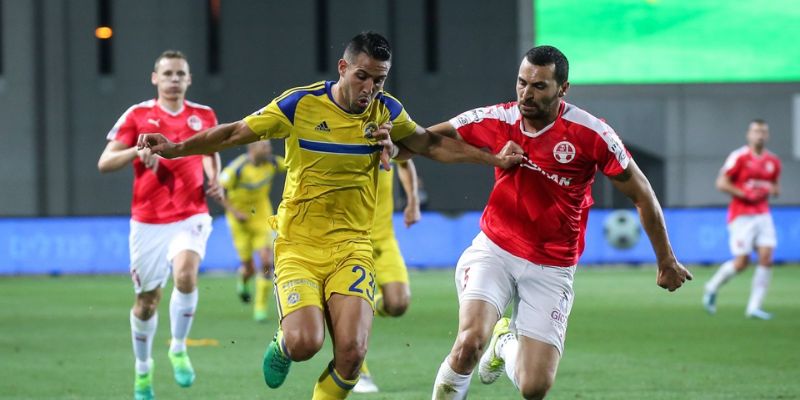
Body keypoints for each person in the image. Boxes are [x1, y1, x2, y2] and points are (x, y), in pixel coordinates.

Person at [138, 32, 522, 400]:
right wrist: (176, 149)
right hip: (298, 245)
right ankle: (284, 342)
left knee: (352, 353)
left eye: (379, 79)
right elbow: (235, 132)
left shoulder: (386, 111)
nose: (370, 88)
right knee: (306, 343)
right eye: (362, 77)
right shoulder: (299, 104)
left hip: (352, 245)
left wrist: (491, 159)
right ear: (343, 68)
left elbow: (430, 143)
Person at [428, 45, 693, 400]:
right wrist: (390, 141)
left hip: (553, 265)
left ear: (562, 89)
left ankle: (504, 344)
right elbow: (427, 139)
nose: (526, 93)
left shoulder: (591, 133)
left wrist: (666, 260)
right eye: (522, 83)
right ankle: (488, 343)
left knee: (534, 387)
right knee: (469, 342)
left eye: (539, 86)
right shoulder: (498, 118)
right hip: (496, 250)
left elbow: (642, 193)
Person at [97, 50, 223, 400]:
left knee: (186, 274)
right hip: (149, 221)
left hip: (191, 212)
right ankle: (142, 370)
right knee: (147, 301)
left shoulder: (203, 115)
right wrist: (135, 153)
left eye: (180, 74)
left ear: (189, 79)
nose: (173, 80)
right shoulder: (138, 115)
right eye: (166, 74)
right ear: (155, 78)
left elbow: (211, 151)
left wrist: (215, 178)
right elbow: (105, 162)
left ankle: (178, 347)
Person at [353, 159, 421, 393]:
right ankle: (359, 372)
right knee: (357, 306)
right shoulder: (342, 136)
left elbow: (405, 161)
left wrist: (412, 201)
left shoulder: (387, 133)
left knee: (398, 303)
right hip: (349, 240)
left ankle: (361, 307)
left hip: (383, 238)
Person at [703, 119, 781, 320]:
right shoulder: (739, 157)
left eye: (763, 131)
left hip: (763, 214)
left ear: (768, 135)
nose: (760, 135)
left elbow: (775, 188)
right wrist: (744, 194)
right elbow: (721, 183)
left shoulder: (773, 162)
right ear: (749, 134)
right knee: (741, 263)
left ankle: (754, 307)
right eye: (756, 131)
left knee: (766, 258)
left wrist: (771, 190)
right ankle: (712, 287)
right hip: (741, 216)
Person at [217, 141, 286, 322]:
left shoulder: (272, 163)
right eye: (264, 147)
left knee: (265, 261)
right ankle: (244, 281)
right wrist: (235, 212)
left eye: (268, 146)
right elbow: (219, 190)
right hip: (239, 221)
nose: (268, 150)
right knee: (249, 267)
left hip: (261, 217)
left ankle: (260, 306)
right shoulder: (237, 168)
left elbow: (294, 165)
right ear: (252, 149)